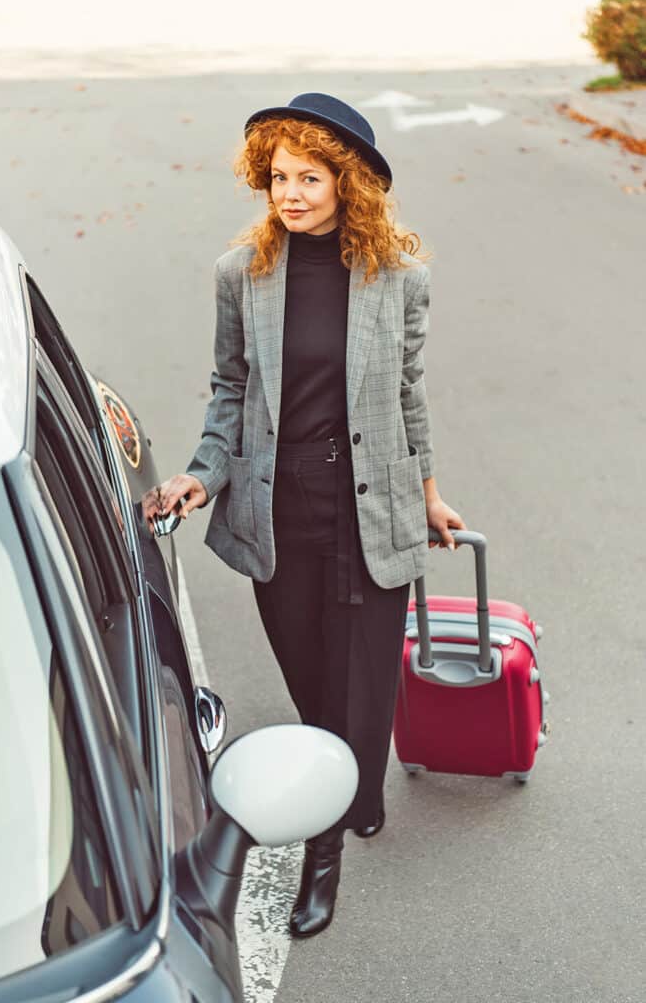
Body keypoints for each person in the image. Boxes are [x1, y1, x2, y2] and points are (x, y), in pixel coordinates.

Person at [143, 92, 466, 938]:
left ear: (345, 182)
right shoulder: (240, 275)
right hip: (281, 513)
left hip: (371, 513)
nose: (290, 193)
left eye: (309, 177)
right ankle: (351, 789)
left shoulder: (399, 277)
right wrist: (202, 477)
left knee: (351, 695)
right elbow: (231, 391)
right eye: (279, 177)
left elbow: (406, 394)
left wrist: (427, 494)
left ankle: (322, 862)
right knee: (316, 684)